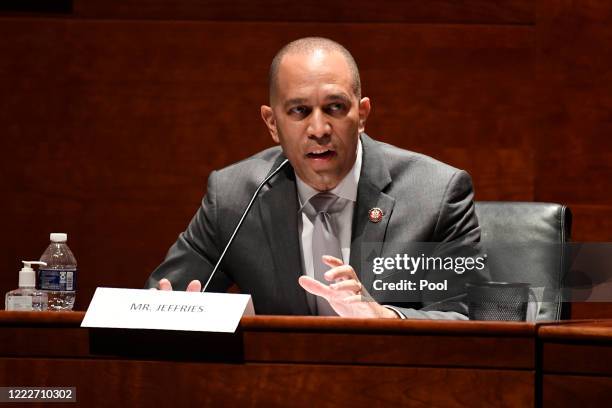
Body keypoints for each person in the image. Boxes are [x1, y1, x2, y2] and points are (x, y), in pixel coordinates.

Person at [145, 37, 488, 319]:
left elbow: (472, 318)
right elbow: (160, 299)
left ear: (362, 114)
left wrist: (384, 317)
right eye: (299, 111)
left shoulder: (435, 195)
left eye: (335, 108)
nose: (319, 129)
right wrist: (172, 312)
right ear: (272, 124)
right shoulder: (235, 197)